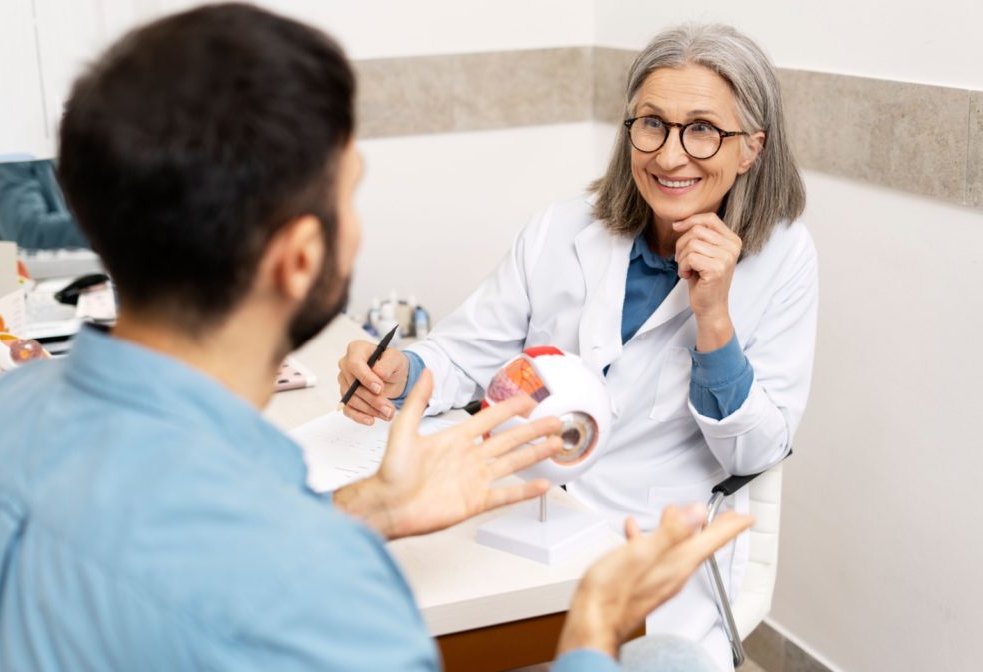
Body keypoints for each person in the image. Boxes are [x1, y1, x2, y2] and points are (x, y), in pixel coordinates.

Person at [0, 6, 751, 671]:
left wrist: (362, 506)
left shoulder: (2, 412)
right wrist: (591, 632)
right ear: (301, 257)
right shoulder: (335, 606)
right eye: (352, 192)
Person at [338, 23, 817, 670]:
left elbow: (758, 449)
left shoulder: (783, 259)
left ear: (751, 149)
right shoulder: (564, 229)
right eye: (652, 124)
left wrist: (715, 320)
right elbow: (463, 354)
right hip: (522, 518)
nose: (671, 156)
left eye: (703, 129)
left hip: (649, 551)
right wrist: (398, 371)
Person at [0, 159, 89, 249]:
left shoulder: (38, 148)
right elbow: (29, 233)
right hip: (22, 278)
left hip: (57, 269)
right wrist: (100, 226)